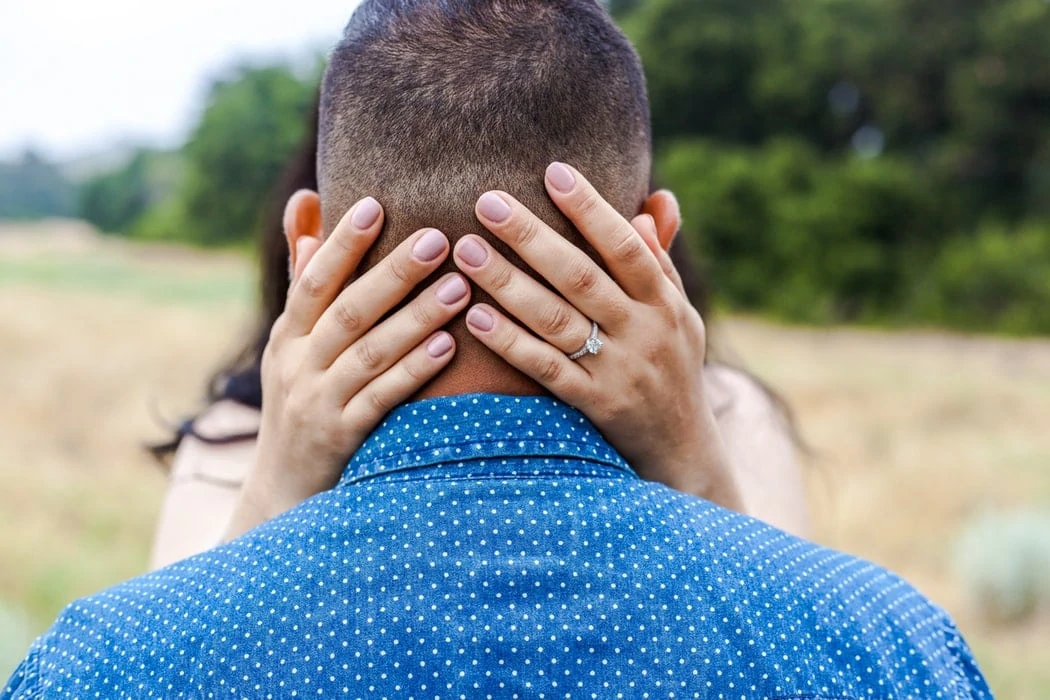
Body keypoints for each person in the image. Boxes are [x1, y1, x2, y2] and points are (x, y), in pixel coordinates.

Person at [3, 1, 990, 697]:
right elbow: (781, 626)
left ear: (313, 239)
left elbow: (191, 647)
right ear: (648, 236)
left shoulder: (98, 663)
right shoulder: (890, 644)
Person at [149, 108, 808, 573]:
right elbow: (199, 642)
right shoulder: (241, 433)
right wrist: (278, 478)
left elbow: (774, 639)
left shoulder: (727, 409)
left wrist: (691, 451)